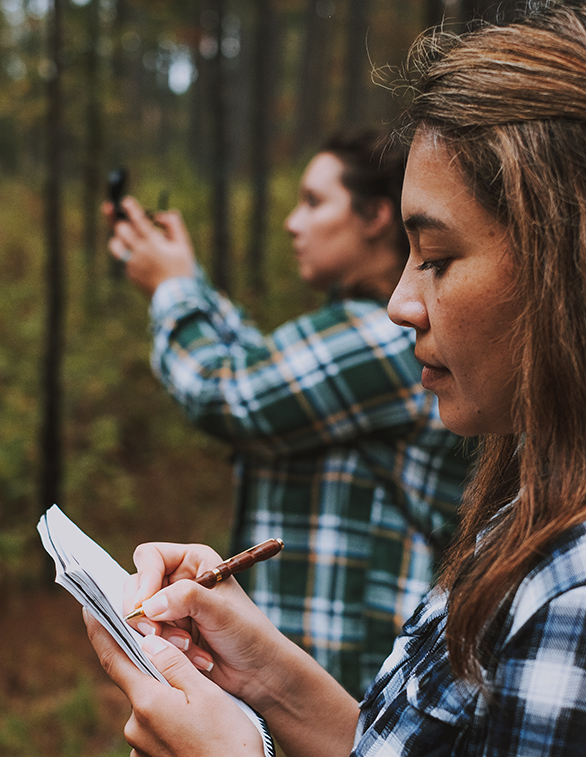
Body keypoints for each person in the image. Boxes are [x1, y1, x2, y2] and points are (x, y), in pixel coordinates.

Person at [86, 1, 586, 754]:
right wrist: (267, 674)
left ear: (574, 259)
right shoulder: (527, 515)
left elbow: (234, 388)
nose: (401, 307)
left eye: (436, 258)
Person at [106, 129, 472, 697]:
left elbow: (230, 392)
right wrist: (184, 279)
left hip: (350, 673)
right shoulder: (370, 333)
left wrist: (171, 290)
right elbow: (262, 366)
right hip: (339, 662)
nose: (292, 222)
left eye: (314, 201)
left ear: (376, 215)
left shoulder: (383, 338)